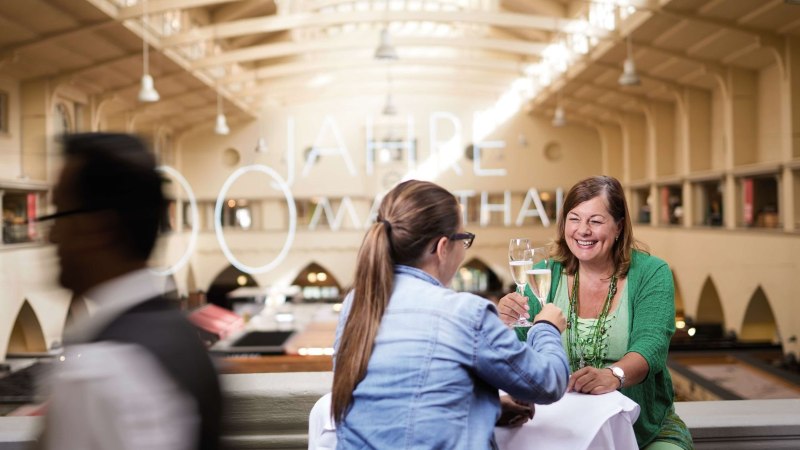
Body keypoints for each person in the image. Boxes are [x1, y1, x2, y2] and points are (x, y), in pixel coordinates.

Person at [331, 179, 570, 449]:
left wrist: (487, 408)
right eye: (463, 239)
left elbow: (398, 404)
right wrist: (546, 327)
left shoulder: (357, 303)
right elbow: (548, 383)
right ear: (443, 247)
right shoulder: (464, 312)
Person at [37, 133, 222, 450]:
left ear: (101, 228)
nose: (51, 235)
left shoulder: (96, 373)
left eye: (59, 213)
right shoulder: (185, 340)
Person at [498, 175, 693, 450]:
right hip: (560, 424)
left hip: (640, 428)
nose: (582, 230)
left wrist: (614, 375)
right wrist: (505, 322)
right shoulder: (544, 273)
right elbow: (521, 347)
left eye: (596, 221)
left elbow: (652, 345)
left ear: (619, 227)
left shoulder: (652, 272)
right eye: (574, 219)